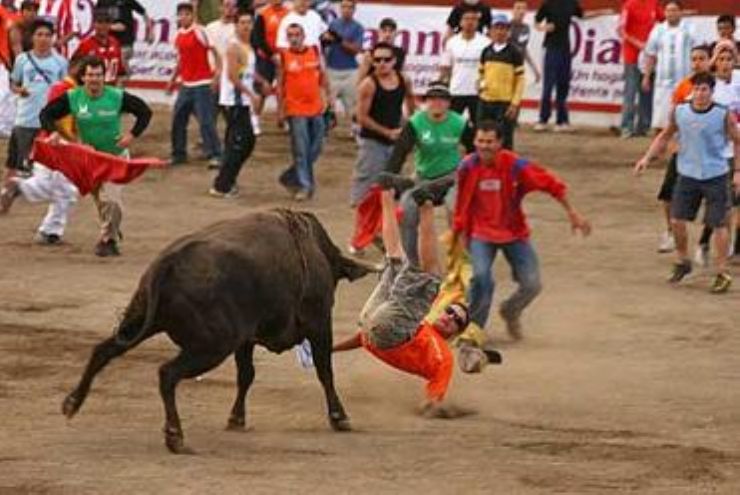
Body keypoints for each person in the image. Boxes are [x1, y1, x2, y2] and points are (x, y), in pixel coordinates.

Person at [334, 176, 501, 417]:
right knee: (396, 259)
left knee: (432, 277)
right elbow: (362, 338)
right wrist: (329, 349)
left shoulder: (444, 359)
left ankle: (426, 203)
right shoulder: (420, 325)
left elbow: (432, 402)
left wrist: (447, 410)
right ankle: (386, 191)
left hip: (387, 330)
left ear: (455, 333)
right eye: (450, 311)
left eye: (455, 319)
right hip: (373, 319)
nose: (449, 316)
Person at [452, 120, 591, 344]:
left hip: (514, 233)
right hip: (480, 233)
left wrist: (572, 213)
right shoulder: (467, 166)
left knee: (532, 284)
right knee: (480, 278)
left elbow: (550, 183)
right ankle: (472, 330)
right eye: (480, 141)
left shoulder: (516, 165)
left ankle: (510, 310)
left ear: (500, 143)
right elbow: (461, 204)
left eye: (489, 141)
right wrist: (459, 233)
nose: (484, 146)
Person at [37, 56, 153, 257]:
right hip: (89, 160)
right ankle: (111, 234)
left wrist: (131, 135)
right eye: (90, 75)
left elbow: (144, 112)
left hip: (115, 159)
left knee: (112, 199)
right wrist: (52, 132)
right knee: (102, 201)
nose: (94, 79)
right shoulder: (73, 97)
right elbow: (46, 114)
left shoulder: (116, 96)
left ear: (104, 76)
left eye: (98, 75)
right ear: (83, 77)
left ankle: (107, 240)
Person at [635, 73, 740, 294]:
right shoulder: (680, 111)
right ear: (692, 90)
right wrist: (647, 158)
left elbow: (737, 141)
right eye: (697, 89)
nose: (700, 94)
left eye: (705, 90)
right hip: (688, 174)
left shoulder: (723, 115)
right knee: (676, 220)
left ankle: (721, 272)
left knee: (719, 224)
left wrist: (737, 171)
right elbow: (665, 136)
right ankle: (683, 261)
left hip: (716, 175)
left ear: (712, 92)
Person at [384, 82, 475, 266]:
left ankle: (462, 259)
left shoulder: (459, 123)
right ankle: (410, 263)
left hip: (451, 178)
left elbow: (475, 150)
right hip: (423, 178)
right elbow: (400, 152)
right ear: (427, 102)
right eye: (432, 98)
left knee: (455, 209)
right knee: (406, 211)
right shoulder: (416, 123)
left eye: (442, 99)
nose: (437, 103)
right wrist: (389, 178)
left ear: (448, 103)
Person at [0, 55, 83, 245]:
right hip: (55, 144)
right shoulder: (64, 90)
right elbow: (53, 118)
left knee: (64, 191)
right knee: (60, 189)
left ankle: (50, 232)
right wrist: (72, 139)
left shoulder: (72, 90)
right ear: (75, 68)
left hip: (53, 143)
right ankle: (20, 187)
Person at [348, 42, 415, 254]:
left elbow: (411, 102)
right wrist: (388, 132)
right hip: (372, 144)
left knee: (390, 192)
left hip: (394, 144)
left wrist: (410, 125)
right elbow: (361, 117)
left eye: (386, 59)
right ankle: (358, 239)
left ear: (394, 61)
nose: (382, 64)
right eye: (377, 60)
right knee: (367, 192)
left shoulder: (403, 80)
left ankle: (380, 234)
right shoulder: (369, 84)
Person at [654, 44, 711, 254]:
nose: (697, 63)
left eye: (701, 58)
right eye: (694, 59)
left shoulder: (714, 87)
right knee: (668, 193)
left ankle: (704, 242)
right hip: (684, 150)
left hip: (709, 153)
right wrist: (670, 143)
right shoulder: (682, 87)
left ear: (708, 60)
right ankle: (670, 233)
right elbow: (674, 119)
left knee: (713, 200)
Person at [533, 0, 612, 133]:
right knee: (548, 86)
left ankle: (561, 121)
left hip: (565, 48)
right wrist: (544, 28)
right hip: (551, 48)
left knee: (563, 86)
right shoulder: (548, 4)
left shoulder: (571, 3)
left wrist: (601, 12)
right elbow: (536, 22)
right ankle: (543, 120)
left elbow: (582, 15)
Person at [693, 43, 740, 265]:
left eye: (729, 59)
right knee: (721, 202)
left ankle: (735, 245)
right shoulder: (710, 87)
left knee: (734, 201)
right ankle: (705, 241)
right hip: (719, 152)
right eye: (720, 59)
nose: (725, 63)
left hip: (737, 148)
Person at [5, 18, 67, 182]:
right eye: (39, 34)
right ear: (32, 37)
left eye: (48, 35)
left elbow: (66, 90)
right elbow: (13, 84)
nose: (44, 38)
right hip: (25, 119)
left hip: (50, 123)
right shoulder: (22, 60)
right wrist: (20, 90)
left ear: (52, 38)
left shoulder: (60, 62)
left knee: (47, 168)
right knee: (18, 165)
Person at [210, 10, 260, 198]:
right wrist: (251, 95)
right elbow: (232, 76)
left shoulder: (248, 46)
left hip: (242, 101)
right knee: (241, 142)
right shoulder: (233, 47)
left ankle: (226, 181)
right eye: (242, 23)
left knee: (240, 142)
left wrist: (260, 81)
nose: (246, 26)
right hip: (234, 101)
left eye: (249, 22)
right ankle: (222, 184)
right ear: (236, 25)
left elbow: (246, 70)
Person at [276, 23, 328, 201]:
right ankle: (305, 186)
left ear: (303, 35)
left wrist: (328, 99)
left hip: (316, 107)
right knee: (301, 150)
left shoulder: (314, 51)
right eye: (290, 35)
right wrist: (280, 110)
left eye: (297, 34)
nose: (294, 38)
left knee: (316, 147)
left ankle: (290, 176)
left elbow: (322, 77)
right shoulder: (284, 56)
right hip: (295, 108)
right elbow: (280, 84)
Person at [167, 2, 222, 168]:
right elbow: (180, 60)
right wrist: (172, 80)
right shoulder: (178, 35)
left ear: (192, 15)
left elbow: (217, 54)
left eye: (187, 14)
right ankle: (178, 153)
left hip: (203, 84)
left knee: (206, 121)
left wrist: (216, 76)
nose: (183, 17)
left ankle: (216, 154)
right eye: (181, 14)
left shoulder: (201, 31)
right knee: (178, 119)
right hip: (186, 84)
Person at [642, 0, 697, 131]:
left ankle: (683, 149)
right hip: (663, 84)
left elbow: (697, 54)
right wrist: (646, 76)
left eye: (674, 10)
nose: (671, 13)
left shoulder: (690, 29)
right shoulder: (658, 30)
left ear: (681, 12)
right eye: (668, 10)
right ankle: (660, 149)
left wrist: (696, 77)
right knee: (660, 122)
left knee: (685, 121)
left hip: (685, 82)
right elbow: (650, 55)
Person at [477, 14, 524, 150]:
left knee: (505, 138)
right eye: (496, 28)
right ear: (490, 31)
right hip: (485, 101)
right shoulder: (486, 52)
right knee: (483, 136)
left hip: (504, 103)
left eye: (503, 28)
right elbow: (481, 73)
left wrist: (514, 104)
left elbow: (520, 80)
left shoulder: (515, 52)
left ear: (508, 32)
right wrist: (479, 85)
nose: (499, 32)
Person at [439, 4, 489, 126]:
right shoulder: (451, 42)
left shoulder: (486, 43)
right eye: (466, 19)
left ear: (478, 23)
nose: (470, 22)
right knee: (450, 125)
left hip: (478, 93)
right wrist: (443, 86)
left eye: (473, 19)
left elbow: (489, 69)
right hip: (456, 91)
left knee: (479, 126)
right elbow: (446, 67)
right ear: (460, 22)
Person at [618, 0, 663, 139]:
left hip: (648, 56)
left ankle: (644, 125)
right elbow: (621, 30)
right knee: (630, 91)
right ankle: (626, 126)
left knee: (647, 91)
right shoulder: (629, 5)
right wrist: (638, 43)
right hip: (632, 55)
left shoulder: (653, 3)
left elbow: (664, 19)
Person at [321, 0, 363, 131]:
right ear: (340, 8)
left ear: (354, 10)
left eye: (350, 7)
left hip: (350, 71)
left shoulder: (358, 27)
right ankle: (325, 128)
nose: (346, 10)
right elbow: (324, 44)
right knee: (326, 104)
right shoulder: (333, 24)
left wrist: (339, 40)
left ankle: (355, 130)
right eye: (344, 7)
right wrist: (324, 40)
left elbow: (355, 49)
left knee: (353, 106)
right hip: (331, 69)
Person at [251, 0, 289, 134]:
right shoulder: (263, 14)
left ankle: (283, 119)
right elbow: (257, 38)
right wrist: (271, 54)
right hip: (266, 57)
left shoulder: (288, 13)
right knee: (262, 89)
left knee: (283, 90)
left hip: (284, 56)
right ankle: (254, 119)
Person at [96, 0, 154, 76]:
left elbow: (144, 13)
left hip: (125, 40)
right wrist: (109, 27)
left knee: (121, 59)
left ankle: (127, 78)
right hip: (109, 41)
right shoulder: (102, 2)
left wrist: (150, 31)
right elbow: (96, 18)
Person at [72, 9, 125, 85]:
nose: (103, 26)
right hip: (92, 90)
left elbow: (120, 72)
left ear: (110, 24)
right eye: (100, 22)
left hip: (111, 90)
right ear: (94, 24)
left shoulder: (115, 43)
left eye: (107, 22)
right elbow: (74, 70)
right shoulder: (86, 45)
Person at [356, 17, 406, 82]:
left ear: (396, 33)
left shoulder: (400, 52)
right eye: (384, 31)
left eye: (391, 31)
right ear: (379, 32)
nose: (387, 34)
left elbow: (400, 74)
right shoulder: (370, 53)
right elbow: (360, 77)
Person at [510, 0, 541, 84]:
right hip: (507, 67)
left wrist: (534, 69)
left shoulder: (526, 28)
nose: (521, 11)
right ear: (513, 10)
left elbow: (523, 49)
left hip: (519, 68)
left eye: (524, 8)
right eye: (518, 8)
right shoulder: (506, 27)